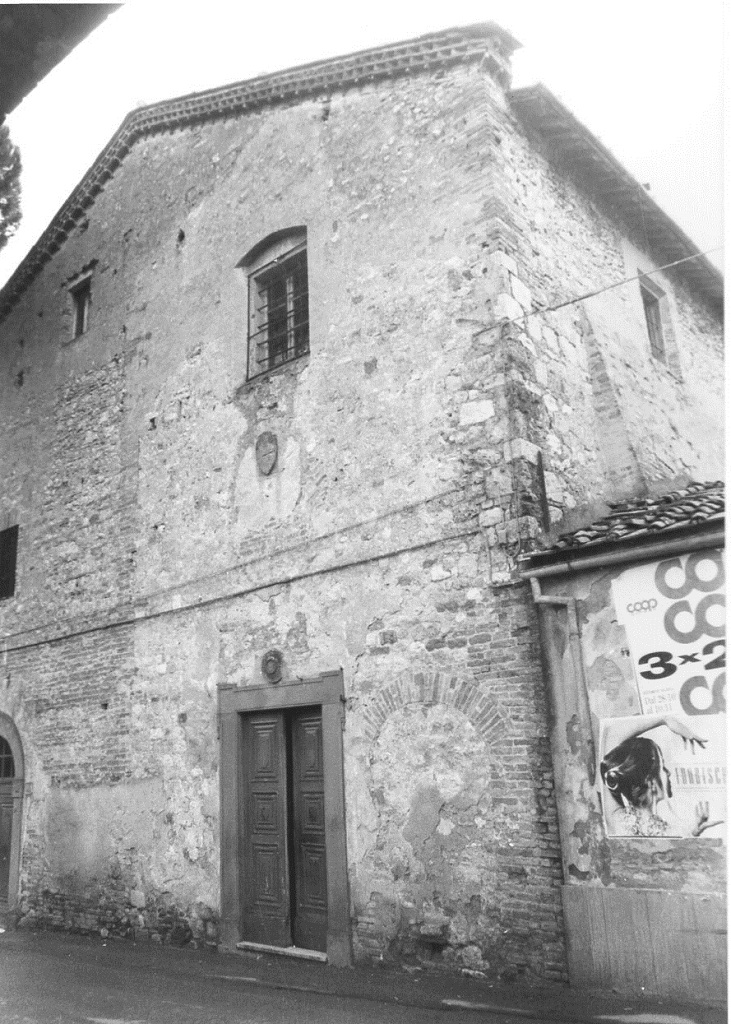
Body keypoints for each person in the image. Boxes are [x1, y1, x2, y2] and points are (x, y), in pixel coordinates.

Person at [600, 714, 723, 838]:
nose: (668, 773)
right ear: (650, 781)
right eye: (663, 767)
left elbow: (611, 741)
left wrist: (664, 719)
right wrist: (691, 834)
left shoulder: (618, 821)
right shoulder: (669, 834)